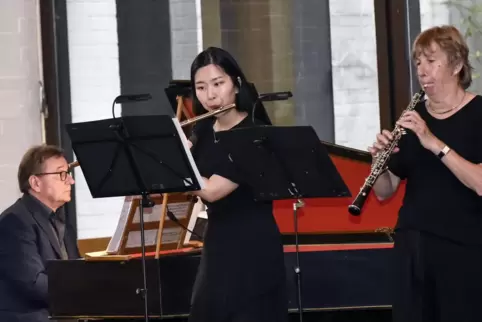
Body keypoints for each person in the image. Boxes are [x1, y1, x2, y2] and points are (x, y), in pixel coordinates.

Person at [369, 25, 482, 322]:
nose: (422, 70)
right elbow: (384, 191)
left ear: (457, 65)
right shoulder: (412, 117)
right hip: (412, 245)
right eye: (418, 62)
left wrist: (434, 143)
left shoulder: (478, 114)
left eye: (431, 61)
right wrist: (377, 163)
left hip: (463, 248)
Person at [186, 46, 288, 322]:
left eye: (219, 84)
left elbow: (211, 190)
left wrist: (178, 160)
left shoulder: (253, 133)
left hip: (252, 249)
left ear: (236, 84)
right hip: (217, 245)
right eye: (201, 87)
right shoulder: (203, 130)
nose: (211, 95)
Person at [0, 145, 80, 322]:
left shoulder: (62, 223)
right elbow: (34, 284)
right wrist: (84, 291)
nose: (70, 181)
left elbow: (76, 271)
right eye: (61, 174)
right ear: (36, 183)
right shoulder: (13, 223)